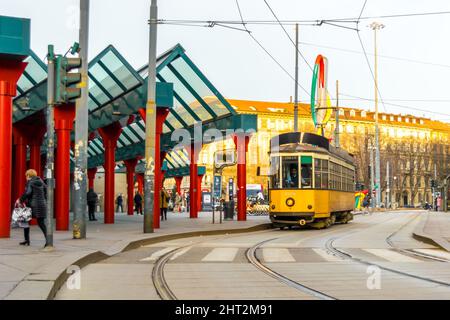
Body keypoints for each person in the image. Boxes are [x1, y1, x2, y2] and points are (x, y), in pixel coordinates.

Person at [19, 169, 47, 247]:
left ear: (28, 175)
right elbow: (46, 190)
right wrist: (43, 199)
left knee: (25, 221)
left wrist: (20, 200)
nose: (26, 177)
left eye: (26, 175)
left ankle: (26, 240)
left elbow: (28, 193)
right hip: (41, 204)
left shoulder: (30, 182)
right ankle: (48, 241)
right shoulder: (41, 181)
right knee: (41, 223)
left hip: (32, 205)